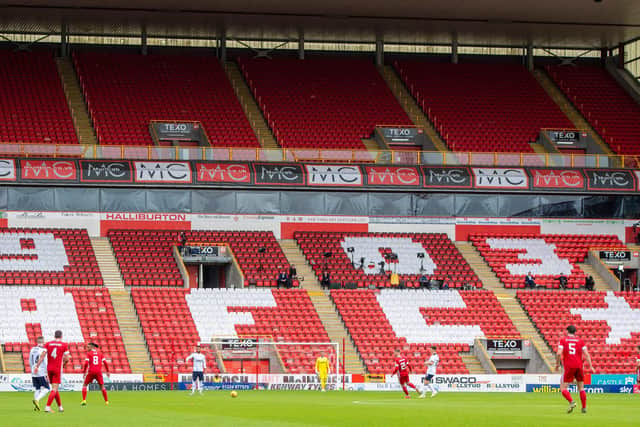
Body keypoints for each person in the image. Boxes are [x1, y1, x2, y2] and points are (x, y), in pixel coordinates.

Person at [556, 325, 594, 414]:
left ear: (567, 331)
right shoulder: (580, 341)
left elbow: (558, 353)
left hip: (569, 366)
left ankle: (571, 402)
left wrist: (557, 364)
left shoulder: (563, 340)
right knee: (581, 388)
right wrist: (591, 366)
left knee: (563, 388)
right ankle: (584, 408)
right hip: (579, 366)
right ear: (575, 332)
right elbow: (587, 354)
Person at [34, 330, 70, 413]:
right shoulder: (64, 345)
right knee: (54, 388)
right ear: (61, 336)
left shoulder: (48, 344)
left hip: (49, 368)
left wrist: (37, 366)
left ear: (54, 336)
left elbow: (42, 356)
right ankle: (47, 407)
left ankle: (60, 407)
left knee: (55, 388)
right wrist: (64, 364)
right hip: (57, 369)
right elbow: (67, 358)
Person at [29, 336, 50, 411]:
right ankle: (37, 400)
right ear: (43, 342)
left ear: (37, 342)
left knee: (37, 388)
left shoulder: (32, 349)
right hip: (41, 371)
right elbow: (45, 362)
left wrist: (33, 368)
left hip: (33, 371)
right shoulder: (44, 350)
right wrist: (47, 372)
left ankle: (36, 406)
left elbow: (30, 361)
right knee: (47, 388)